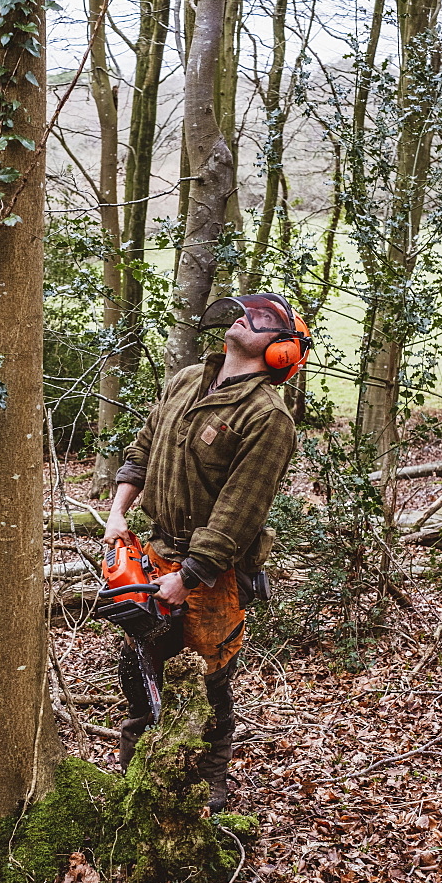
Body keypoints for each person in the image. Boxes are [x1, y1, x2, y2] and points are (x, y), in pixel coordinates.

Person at [103, 292, 312, 812]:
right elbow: (143, 448)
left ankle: (207, 795)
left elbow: (239, 511)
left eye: (264, 321)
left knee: (208, 684)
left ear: (282, 352)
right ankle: (135, 785)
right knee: (139, 669)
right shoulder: (188, 379)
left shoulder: (268, 417)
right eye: (248, 311)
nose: (246, 318)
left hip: (214, 572)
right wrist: (117, 512)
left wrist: (190, 575)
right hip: (155, 552)